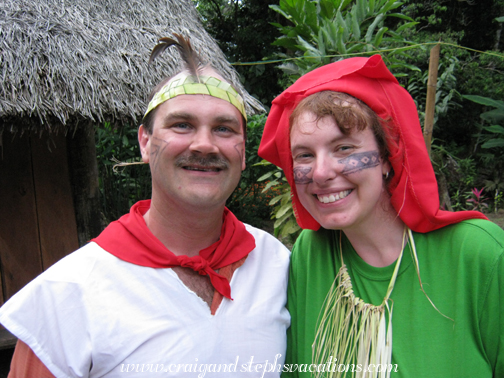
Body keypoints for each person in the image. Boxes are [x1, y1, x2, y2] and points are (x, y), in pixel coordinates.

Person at [0, 34, 290, 377]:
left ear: (242, 152)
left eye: (223, 129)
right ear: (145, 142)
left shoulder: (277, 265)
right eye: (182, 125)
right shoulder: (68, 293)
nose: (204, 144)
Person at [258, 55, 503, 377]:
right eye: (304, 155)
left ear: (389, 156)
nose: (320, 173)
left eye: (344, 148)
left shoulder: (480, 255)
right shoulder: (310, 253)